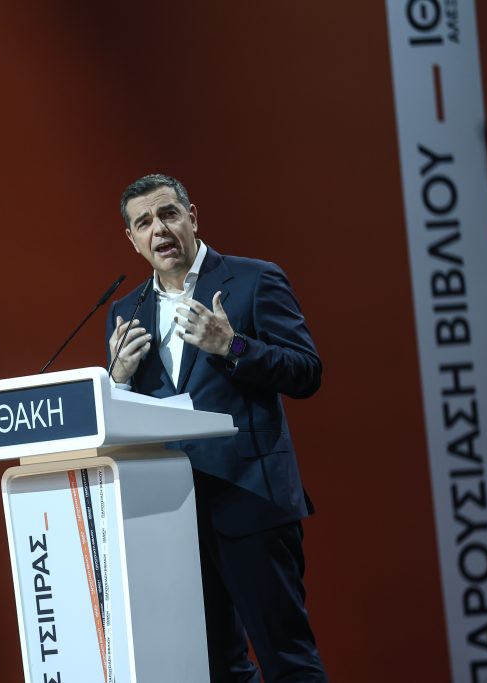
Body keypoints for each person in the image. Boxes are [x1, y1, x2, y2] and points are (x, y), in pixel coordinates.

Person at [106, 173, 328, 682]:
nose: (159, 229)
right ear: (132, 239)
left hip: (251, 503)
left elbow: (306, 372)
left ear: (191, 217)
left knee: (287, 661)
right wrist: (116, 379)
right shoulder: (125, 311)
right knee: (214, 669)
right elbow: (128, 419)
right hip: (172, 517)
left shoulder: (254, 280)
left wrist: (234, 346)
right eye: (144, 222)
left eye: (168, 214)